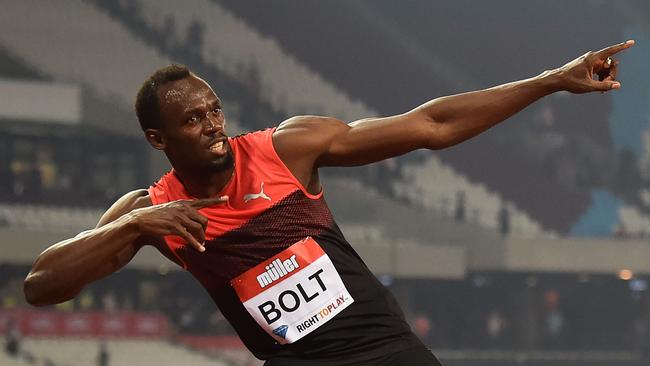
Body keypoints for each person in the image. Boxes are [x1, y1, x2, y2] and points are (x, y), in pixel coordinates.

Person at [23, 40, 634, 365]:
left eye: (214, 110)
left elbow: (432, 125)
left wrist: (552, 79)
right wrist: (135, 222)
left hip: (387, 353)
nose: (212, 125)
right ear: (159, 139)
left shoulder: (288, 149)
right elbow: (42, 285)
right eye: (192, 120)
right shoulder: (150, 213)